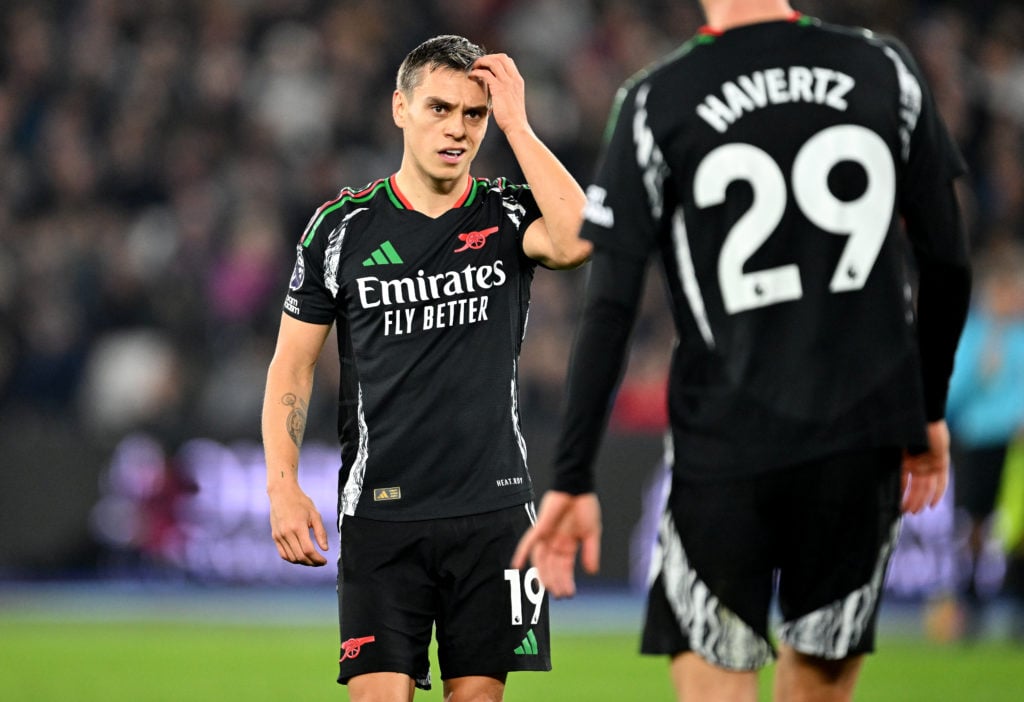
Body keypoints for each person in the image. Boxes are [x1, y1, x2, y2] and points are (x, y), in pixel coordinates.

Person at [513, 1, 972, 700]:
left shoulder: (656, 98)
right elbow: (947, 262)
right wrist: (928, 409)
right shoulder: (884, 68)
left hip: (725, 441)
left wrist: (573, 474)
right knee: (819, 680)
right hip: (861, 436)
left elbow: (610, 304)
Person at [262, 35, 590, 702]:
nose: (457, 129)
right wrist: (282, 485)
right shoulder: (340, 230)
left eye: (474, 114)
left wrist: (519, 124)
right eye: (439, 108)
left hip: (494, 514)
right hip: (383, 519)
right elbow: (292, 368)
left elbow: (580, 238)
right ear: (399, 109)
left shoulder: (505, 214)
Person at [944, 242, 1024, 638]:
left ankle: (1015, 600)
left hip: (1017, 447)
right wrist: (980, 372)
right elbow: (952, 397)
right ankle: (969, 598)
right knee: (974, 523)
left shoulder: (1022, 336)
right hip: (977, 441)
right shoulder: (972, 334)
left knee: (1017, 526)